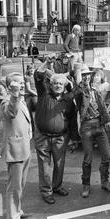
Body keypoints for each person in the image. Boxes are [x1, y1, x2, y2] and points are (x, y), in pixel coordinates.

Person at [33, 56, 76, 204]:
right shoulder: (44, 94)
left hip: (60, 137)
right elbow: (38, 75)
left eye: (60, 84)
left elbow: (71, 119)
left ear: (64, 86)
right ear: (50, 85)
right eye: (55, 83)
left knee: (59, 163)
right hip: (43, 137)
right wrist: (47, 63)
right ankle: (46, 191)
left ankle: (57, 186)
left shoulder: (68, 100)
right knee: (45, 166)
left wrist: (72, 139)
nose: (57, 85)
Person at [72, 64, 110, 198]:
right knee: (88, 158)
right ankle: (86, 185)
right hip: (86, 127)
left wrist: (107, 120)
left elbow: (102, 107)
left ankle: (105, 181)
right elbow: (76, 93)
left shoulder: (95, 91)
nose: (86, 77)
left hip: (99, 124)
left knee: (107, 156)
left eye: (88, 75)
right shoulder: (80, 92)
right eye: (84, 75)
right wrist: (80, 80)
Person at [0, 72, 32, 219]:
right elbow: (11, 113)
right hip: (15, 151)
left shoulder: (21, 99)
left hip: (24, 149)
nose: (21, 85)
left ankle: (17, 211)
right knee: (14, 187)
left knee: (20, 185)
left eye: (22, 83)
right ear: (9, 87)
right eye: (18, 83)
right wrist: (14, 94)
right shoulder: (7, 101)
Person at [24, 64, 37, 131]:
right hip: (30, 96)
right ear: (28, 70)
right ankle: (32, 128)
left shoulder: (36, 77)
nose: (32, 70)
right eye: (30, 68)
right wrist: (36, 94)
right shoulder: (27, 77)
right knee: (28, 113)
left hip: (36, 95)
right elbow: (29, 89)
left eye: (33, 68)